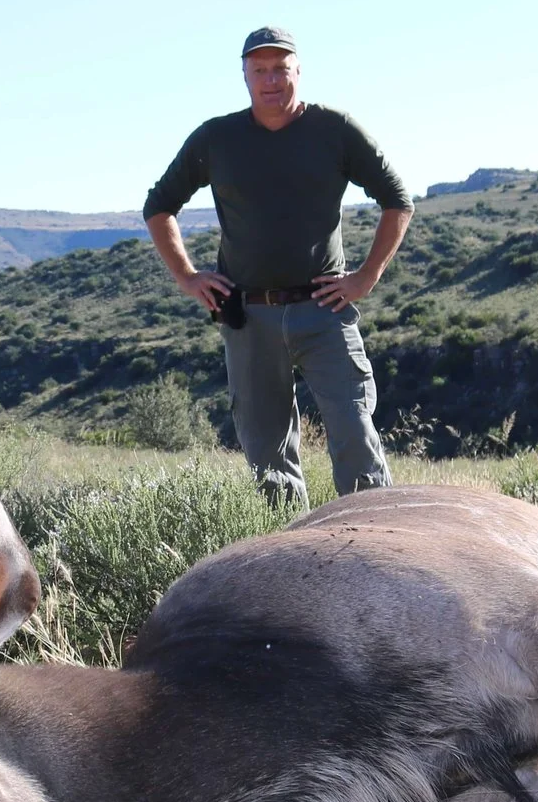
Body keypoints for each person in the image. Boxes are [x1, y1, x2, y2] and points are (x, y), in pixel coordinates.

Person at [143, 26, 413, 505]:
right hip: (249, 316)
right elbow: (159, 206)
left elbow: (397, 200)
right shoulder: (217, 138)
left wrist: (365, 276)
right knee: (266, 453)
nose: (271, 80)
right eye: (260, 70)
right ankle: (288, 561)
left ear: (298, 72)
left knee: (353, 431)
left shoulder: (335, 130)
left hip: (325, 310)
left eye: (281, 69)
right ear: (245, 77)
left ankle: (374, 542)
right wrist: (187, 277)